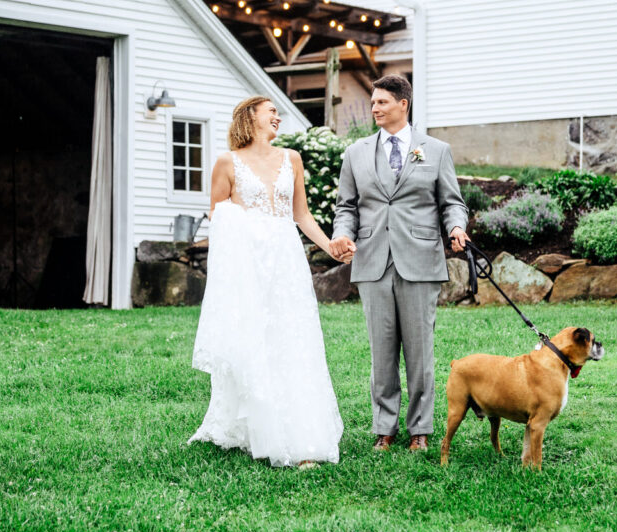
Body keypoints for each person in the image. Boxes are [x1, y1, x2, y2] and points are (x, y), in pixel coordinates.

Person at [189, 96, 346, 468]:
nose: (278, 117)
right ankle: (252, 427)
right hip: (248, 265)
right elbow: (217, 215)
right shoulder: (227, 162)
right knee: (253, 338)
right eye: (271, 111)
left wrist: (331, 245)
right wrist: (245, 228)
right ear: (250, 117)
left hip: (286, 262)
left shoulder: (291, 159)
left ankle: (301, 432)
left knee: (292, 337)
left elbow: (302, 215)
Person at [329, 75, 469, 452]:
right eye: (373, 102)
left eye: (381, 102)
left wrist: (456, 227)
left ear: (402, 104)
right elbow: (346, 207)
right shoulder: (355, 152)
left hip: (421, 261)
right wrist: (343, 234)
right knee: (382, 350)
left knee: (420, 351)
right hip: (373, 262)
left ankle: (420, 429)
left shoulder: (436, 150)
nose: (374, 108)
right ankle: (384, 429)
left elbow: (452, 201)